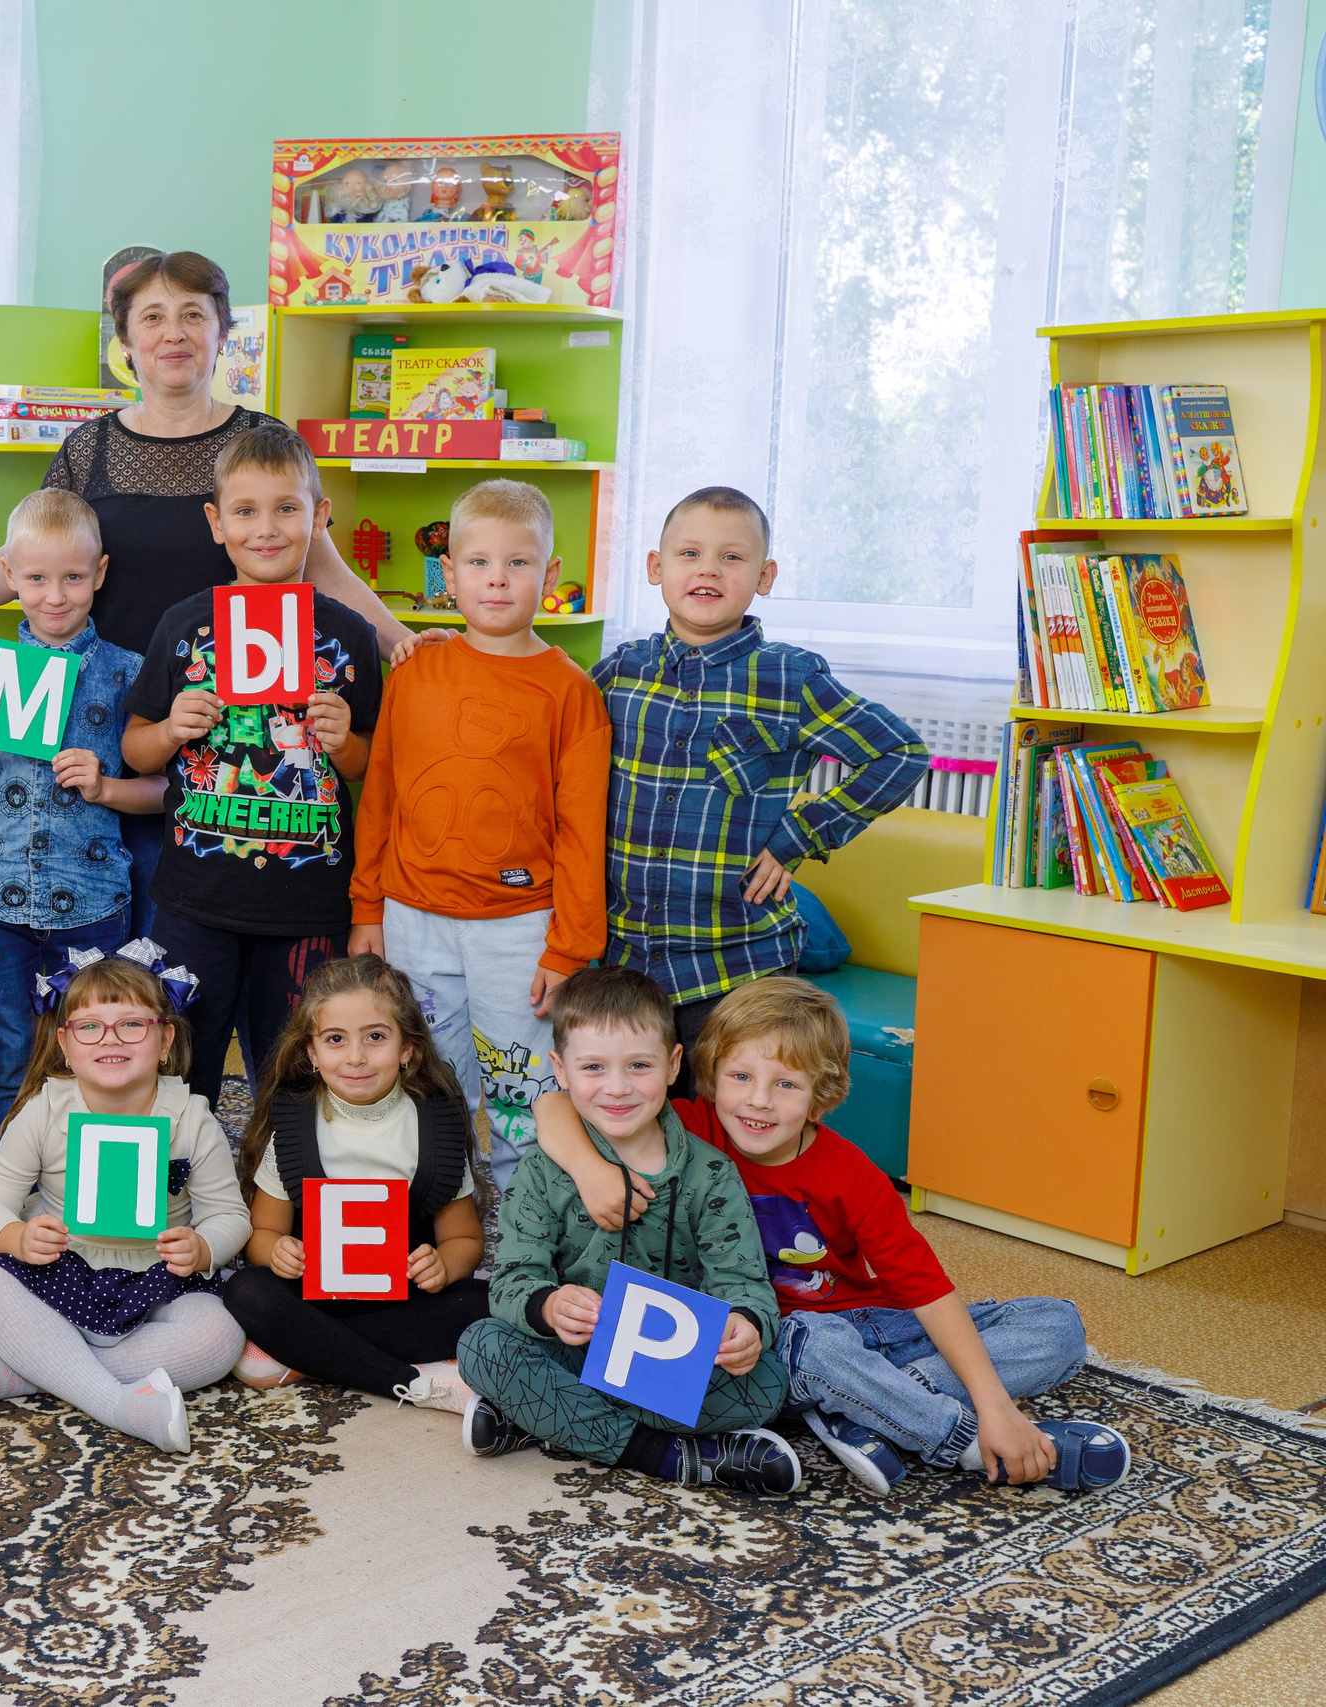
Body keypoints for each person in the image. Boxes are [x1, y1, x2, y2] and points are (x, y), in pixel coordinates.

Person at [0, 252, 408, 934]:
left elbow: (326, 569)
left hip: (229, 749)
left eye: (193, 315)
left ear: (223, 334)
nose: (173, 333)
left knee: (191, 945)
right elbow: (19, 564)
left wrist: (405, 643)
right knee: (117, 951)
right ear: (126, 343)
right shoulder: (87, 451)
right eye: (153, 317)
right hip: (104, 727)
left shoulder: (266, 442)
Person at [532, 977, 1130, 1496]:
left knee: (1058, 1324)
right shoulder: (689, 1128)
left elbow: (924, 1287)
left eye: (786, 1085)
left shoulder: (852, 1174)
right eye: (740, 1076)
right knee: (817, 1342)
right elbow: (553, 1104)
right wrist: (591, 1171)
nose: (758, 1101)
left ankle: (872, 1405)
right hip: (769, 1346)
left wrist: (997, 1399)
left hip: (866, 1328)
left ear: (821, 1095)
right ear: (708, 1076)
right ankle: (953, 1436)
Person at [593, 487, 927, 1090]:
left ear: (764, 576)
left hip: (735, 963)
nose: (707, 570)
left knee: (740, 1123)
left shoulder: (790, 677)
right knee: (629, 1118)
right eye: (689, 553)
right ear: (654, 567)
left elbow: (899, 752)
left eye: (732, 557)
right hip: (623, 961)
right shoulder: (619, 671)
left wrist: (799, 834)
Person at [348, 479, 609, 1198]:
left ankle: (527, 1216)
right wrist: (366, 908)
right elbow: (382, 797)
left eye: (518, 564)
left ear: (549, 575)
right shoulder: (413, 667)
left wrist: (570, 945)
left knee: (521, 1083)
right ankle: (445, 1202)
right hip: (411, 915)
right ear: (450, 573)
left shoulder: (570, 690)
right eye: (479, 563)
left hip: (518, 929)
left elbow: (583, 830)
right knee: (430, 1072)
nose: (497, 579)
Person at [455, 967, 803, 1494]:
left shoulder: (711, 1174)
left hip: (668, 1364)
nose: (617, 1088)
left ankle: (542, 1415)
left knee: (768, 1387)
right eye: (593, 1067)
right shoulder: (541, 1170)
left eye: (639, 1066)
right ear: (561, 1070)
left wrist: (745, 1327)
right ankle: (668, 1457)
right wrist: (548, 1307)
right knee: (481, 1345)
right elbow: (510, 1283)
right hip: (577, 1349)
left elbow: (744, 1284)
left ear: (672, 1065)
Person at [121, 423, 382, 1108]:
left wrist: (342, 740)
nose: (266, 528)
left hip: (308, 903)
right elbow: (135, 745)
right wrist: (173, 727)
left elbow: (370, 769)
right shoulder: (185, 625)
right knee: (181, 1061)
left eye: (287, 508)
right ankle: (182, 1192)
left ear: (320, 517)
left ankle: (282, 1197)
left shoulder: (349, 635)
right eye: (245, 510)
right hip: (194, 898)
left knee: (295, 1067)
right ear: (216, 523)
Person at [0, 489, 164, 1158]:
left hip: (93, 906)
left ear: (98, 573)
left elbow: (164, 792)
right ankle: (9, 1185)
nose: (55, 595)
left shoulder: (129, 674)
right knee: (7, 1056)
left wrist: (105, 786)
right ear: (9, 577)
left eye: (72, 577)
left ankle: (88, 1179)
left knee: (96, 1055)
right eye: (36, 578)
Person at [0, 944, 248, 1454]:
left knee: (219, 1338)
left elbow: (230, 1215)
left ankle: (27, 1368)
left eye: (132, 1024)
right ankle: (118, 1405)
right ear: (66, 1046)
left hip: (155, 1278)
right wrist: (18, 1237)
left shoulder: (191, 1118)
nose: (110, 1039)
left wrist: (202, 1248)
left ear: (165, 1040)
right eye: (90, 1027)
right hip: (58, 1270)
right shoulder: (46, 1111)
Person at [220, 954, 490, 1409]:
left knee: (486, 1303)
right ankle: (410, 1379)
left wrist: (443, 1264)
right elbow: (262, 1235)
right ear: (311, 1052)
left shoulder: (433, 1124)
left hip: (404, 1298)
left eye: (376, 1038)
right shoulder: (294, 1123)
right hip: (313, 1296)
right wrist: (278, 1252)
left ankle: (307, 1355)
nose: (356, 1057)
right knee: (246, 1292)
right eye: (335, 1040)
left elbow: (464, 1237)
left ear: (409, 1049)